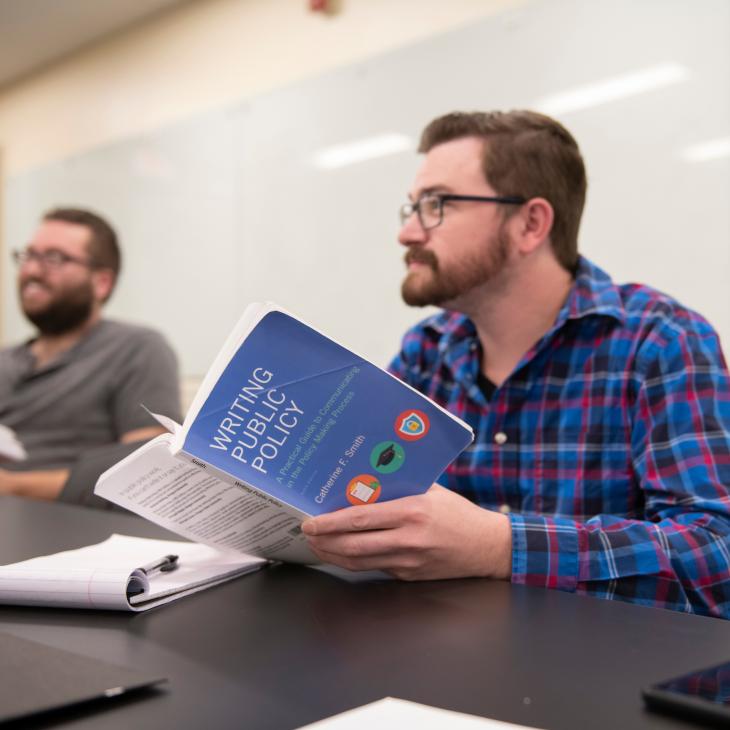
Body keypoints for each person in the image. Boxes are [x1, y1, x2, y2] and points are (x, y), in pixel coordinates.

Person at [302, 110, 730, 619]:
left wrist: (499, 545)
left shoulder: (661, 343)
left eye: (437, 205)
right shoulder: (426, 350)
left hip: (600, 673)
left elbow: (716, 556)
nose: (408, 233)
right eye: (411, 208)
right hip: (445, 653)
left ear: (530, 224)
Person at [0, 207, 181, 501]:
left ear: (102, 283)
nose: (32, 270)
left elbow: (149, 474)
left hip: (61, 525)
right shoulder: (6, 360)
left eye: (54, 259)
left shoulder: (136, 349)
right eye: (29, 256)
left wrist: (13, 486)